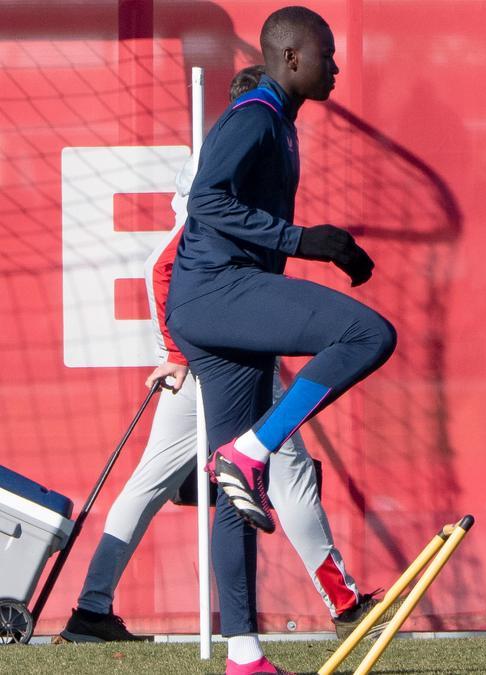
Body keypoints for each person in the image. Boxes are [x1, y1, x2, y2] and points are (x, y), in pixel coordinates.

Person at [59, 65, 395, 648]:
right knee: (279, 469)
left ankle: (93, 607)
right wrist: (176, 351)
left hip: (216, 348)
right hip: (205, 358)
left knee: (164, 479)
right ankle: (342, 602)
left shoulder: (240, 180)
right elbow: (161, 267)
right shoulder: (216, 188)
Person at [166, 8, 396, 674]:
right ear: (291, 58)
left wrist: (327, 249)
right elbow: (206, 199)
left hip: (215, 302)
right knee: (367, 331)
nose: (337, 66)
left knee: (241, 490)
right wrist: (303, 241)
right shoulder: (256, 117)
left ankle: (244, 656)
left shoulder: (277, 120)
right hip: (216, 294)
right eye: (327, 54)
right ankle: (252, 449)